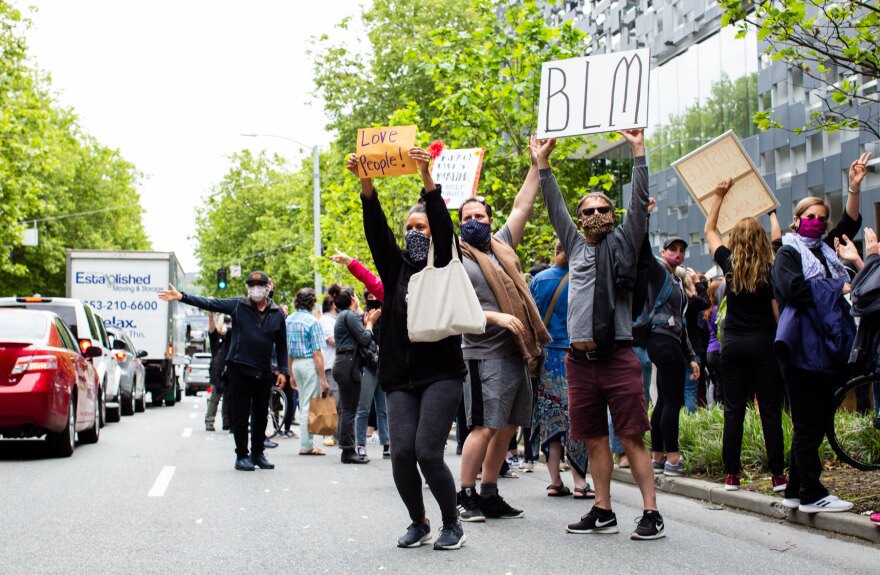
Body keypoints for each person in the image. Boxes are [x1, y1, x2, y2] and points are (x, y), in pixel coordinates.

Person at [533, 129, 665, 540]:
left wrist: (638, 151)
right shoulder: (573, 245)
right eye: (586, 211)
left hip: (618, 356)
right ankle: (602, 510)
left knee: (631, 437)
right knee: (592, 440)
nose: (593, 216)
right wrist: (543, 164)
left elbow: (639, 205)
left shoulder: (625, 242)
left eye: (602, 208)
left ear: (613, 213)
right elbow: (553, 205)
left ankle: (651, 513)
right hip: (578, 361)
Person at [348, 146, 467, 550]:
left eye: (424, 227)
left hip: (442, 374)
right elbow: (375, 228)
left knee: (427, 452)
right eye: (410, 228)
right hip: (399, 377)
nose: (417, 232)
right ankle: (419, 521)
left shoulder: (446, 260)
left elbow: (442, 221)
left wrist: (424, 174)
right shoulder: (395, 266)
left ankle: (453, 524)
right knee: (401, 454)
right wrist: (366, 181)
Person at [457, 136, 550, 523]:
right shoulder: (452, 257)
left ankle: (490, 491)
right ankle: (464, 495)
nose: (475, 222)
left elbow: (522, 204)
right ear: (458, 223)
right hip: (481, 355)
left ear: (490, 221)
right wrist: (494, 317)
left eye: (480, 217)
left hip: (515, 352)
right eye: (467, 218)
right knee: (483, 426)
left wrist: (536, 163)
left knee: (508, 425)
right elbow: (453, 309)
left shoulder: (501, 247)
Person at [772, 151, 870, 513]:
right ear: (796, 221)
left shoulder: (825, 250)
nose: (817, 222)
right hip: (800, 349)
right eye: (810, 217)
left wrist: (854, 188)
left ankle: (797, 489)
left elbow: (850, 223)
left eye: (822, 218)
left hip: (822, 347)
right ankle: (812, 492)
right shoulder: (788, 253)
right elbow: (793, 290)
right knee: (809, 420)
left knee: (811, 420)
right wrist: (836, 286)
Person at [158, 271, 288, 471]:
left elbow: (281, 345)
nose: (255, 289)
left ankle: (258, 453)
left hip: (264, 371)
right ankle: (242, 455)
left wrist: (283, 370)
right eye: (251, 285)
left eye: (259, 285)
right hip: (239, 369)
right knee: (241, 413)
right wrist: (182, 296)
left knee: (261, 414)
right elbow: (210, 303)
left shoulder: (277, 313)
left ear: (267, 288)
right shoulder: (238, 305)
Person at [705, 182, 787, 493]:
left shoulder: (728, 264)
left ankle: (731, 475)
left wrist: (719, 196)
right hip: (764, 343)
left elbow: (710, 229)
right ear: (761, 239)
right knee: (769, 410)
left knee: (733, 410)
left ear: (736, 240)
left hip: (734, 345)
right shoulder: (771, 268)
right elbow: (777, 313)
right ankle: (778, 475)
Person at [529, 241, 593, 499]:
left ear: (555, 252)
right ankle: (579, 481)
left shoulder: (540, 280)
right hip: (576, 355)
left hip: (547, 358)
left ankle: (555, 480)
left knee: (550, 418)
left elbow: (531, 318)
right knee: (578, 419)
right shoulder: (584, 278)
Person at [645, 237, 700, 477]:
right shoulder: (658, 273)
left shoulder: (677, 280)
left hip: (667, 342)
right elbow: (643, 250)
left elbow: (682, 325)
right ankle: (673, 458)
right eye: (673, 250)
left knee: (664, 401)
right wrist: (644, 215)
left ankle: (658, 456)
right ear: (663, 251)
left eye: (681, 250)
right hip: (663, 341)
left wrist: (690, 355)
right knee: (673, 402)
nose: (678, 254)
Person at [331, 285, 380, 464]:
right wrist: (369, 324)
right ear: (352, 298)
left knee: (347, 408)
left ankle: (347, 448)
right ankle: (348, 450)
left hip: (343, 363)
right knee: (350, 409)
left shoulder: (344, 316)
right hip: (348, 364)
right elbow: (365, 338)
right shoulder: (349, 315)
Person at [286, 287, 331, 456]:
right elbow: (317, 353)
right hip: (309, 363)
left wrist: (291, 373)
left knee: (303, 403)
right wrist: (323, 379)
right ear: (312, 302)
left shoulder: (289, 320)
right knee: (309, 405)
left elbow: (288, 350)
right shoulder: (313, 322)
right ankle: (307, 445)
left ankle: (307, 443)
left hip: (296, 363)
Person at [355, 289, 390, 459]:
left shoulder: (388, 316)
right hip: (368, 366)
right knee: (363, 408)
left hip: (384, 366)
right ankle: (360, 444)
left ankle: (387, 444)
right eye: (370, 297)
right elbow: (362, 339)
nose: (374, 300)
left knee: (384, 409)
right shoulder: (363, 318)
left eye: (376, 296)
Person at [682, 268, 710, 412]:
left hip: (675, 348)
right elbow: (706, 302)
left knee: (674, 394)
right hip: (693, 348)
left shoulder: (672, 298)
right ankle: (690, 423)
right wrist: (698, 282)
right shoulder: (691, 301)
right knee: (690, 391)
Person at [205, 313, 232, 432]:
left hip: (229, 371)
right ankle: (209, 421)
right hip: (218, 372)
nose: (227, 326)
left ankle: (226, 422)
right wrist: (217, 315)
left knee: (228, 399)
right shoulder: (216, 338)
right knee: (215, 398)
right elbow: (214, 328)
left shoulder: (231, 337)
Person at [318, 292, 339, 446]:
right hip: (330, 363)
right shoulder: (325, 320)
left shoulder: (334, 319)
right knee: (331, 398)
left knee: (336, 399)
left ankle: (335, 433)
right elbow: (332, 340)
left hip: (336, 363)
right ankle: (327, 433)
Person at [704, 279, 724, 405]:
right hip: (718, 349)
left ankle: (718, 406)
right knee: (724, 382)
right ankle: (723, 405)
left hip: (710, 350)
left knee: (718, 382)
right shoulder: (718, 310)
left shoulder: (709, 310)